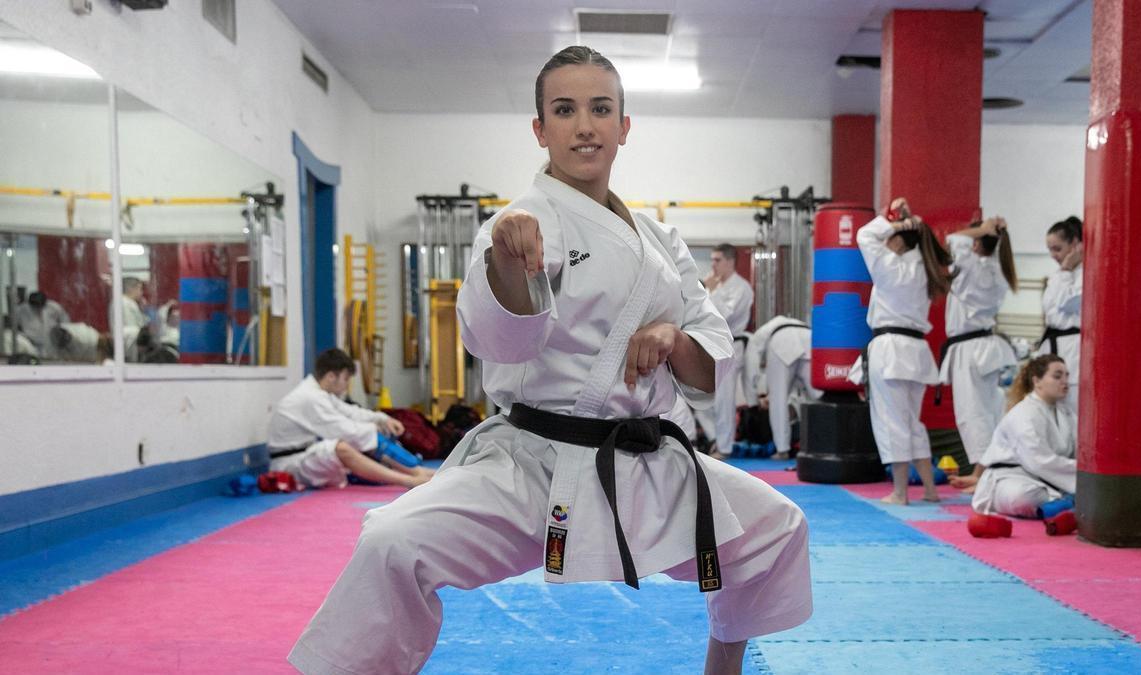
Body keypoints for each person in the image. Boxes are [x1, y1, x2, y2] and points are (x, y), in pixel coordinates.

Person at [289, 46, 812, 675]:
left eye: (601, 109)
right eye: (564, 110)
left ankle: (722, 667)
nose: (584, 125)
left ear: (625, 126)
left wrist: (674, 337)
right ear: (540, 129)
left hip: (644, 463)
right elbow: (504, 341)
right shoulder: (520, 224)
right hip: (531, 464)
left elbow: (709, 366)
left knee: (777, 528)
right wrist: (508, 265)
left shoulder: (660, 240)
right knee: (390, 541)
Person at [849, 197, 953, 505]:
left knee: (892, 421)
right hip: (916, 351)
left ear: (897, 240)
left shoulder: (890, 266)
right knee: (912, 421)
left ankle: (900, 492)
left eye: (891, 237)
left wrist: (893, 222)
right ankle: (930, 490)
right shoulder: (924, 268)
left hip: (891, 348)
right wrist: (907, 222)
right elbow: (915, 240)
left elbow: (865, 235)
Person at [267, 348, 434, 490]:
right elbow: (344, 430)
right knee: (342, 447)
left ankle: (416, 471)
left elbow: (350, 412)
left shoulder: (319, 393)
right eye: (346, 379)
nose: (347, 385)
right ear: (331, 376)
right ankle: (410, 478)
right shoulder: (310, 398)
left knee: (362, 437)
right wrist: (373, 429)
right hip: (289, 466)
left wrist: (381, 419)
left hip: (306, 456)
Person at [940, 217, 1019, 492]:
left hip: (972, 351)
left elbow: (953, 237)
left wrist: (983, 229)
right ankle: (982, 472)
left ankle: (983, 475)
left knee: (973, 414)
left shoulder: (975, 267)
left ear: (976, 243)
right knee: (987, 411)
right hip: (983, 348)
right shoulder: (997, 268)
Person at [972, 354, 1075, 518]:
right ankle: (1068, 502)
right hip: (1011, 478)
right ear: (1037, 381)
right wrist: (1080, 472)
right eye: (1057, 376)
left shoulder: (1067, 414)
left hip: (1050, 480)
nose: (1064, 381)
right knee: (1022, 498)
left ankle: (1062, 502)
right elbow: (1038, 460)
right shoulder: (1024, 413)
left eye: (1066, 376)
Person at [697, 242, 754, 458]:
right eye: (712, 260)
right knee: (700, 396)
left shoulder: (742, 287)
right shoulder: (716, 286)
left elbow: (725, 316)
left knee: (724, 398)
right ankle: (715, 438)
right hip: (709, 345)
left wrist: (709, 291)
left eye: (717, 260)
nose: (713, 264)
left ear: (730, 261)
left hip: (731, 346)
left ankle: (725, 447)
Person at [743, 315, 817, 459]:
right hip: (809, 338)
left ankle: (782, 450)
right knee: (819, 396)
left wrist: (753, 402)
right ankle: (826, 444)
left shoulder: (756, 337)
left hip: (782, 341)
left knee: (778, 399)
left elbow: (751, 368)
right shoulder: (785, 322)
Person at [1036, 216, 1083, 417]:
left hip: (1072, 347)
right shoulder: (1058, 275)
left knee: (1071, 410)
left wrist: (1066, 270)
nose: (1053, 255)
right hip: (1053, 346)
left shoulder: (1085, 272)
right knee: (1050, 412)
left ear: (1074, 244)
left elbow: (1068, 303)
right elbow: (1050, 312)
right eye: (1050, 250)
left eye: (1057, 248)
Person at [121, 277, 149, 362]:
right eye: (140, 289)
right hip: (131, 346)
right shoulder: (126, 304)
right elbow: (136, 327)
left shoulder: (128, 302)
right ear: (131, 288)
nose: (141, 293)